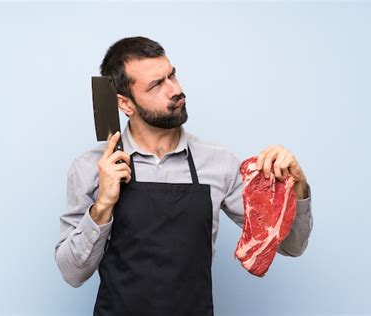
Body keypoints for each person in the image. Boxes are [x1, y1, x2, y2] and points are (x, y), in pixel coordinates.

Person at [54, 36, 313, 315]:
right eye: (156, 85)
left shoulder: (218, 163)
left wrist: (297, 188)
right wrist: (103, 205)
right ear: (125, 104)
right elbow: (72, 273)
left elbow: (291, 246)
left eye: (172, 75)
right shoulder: (91, 166)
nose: (175, 90)